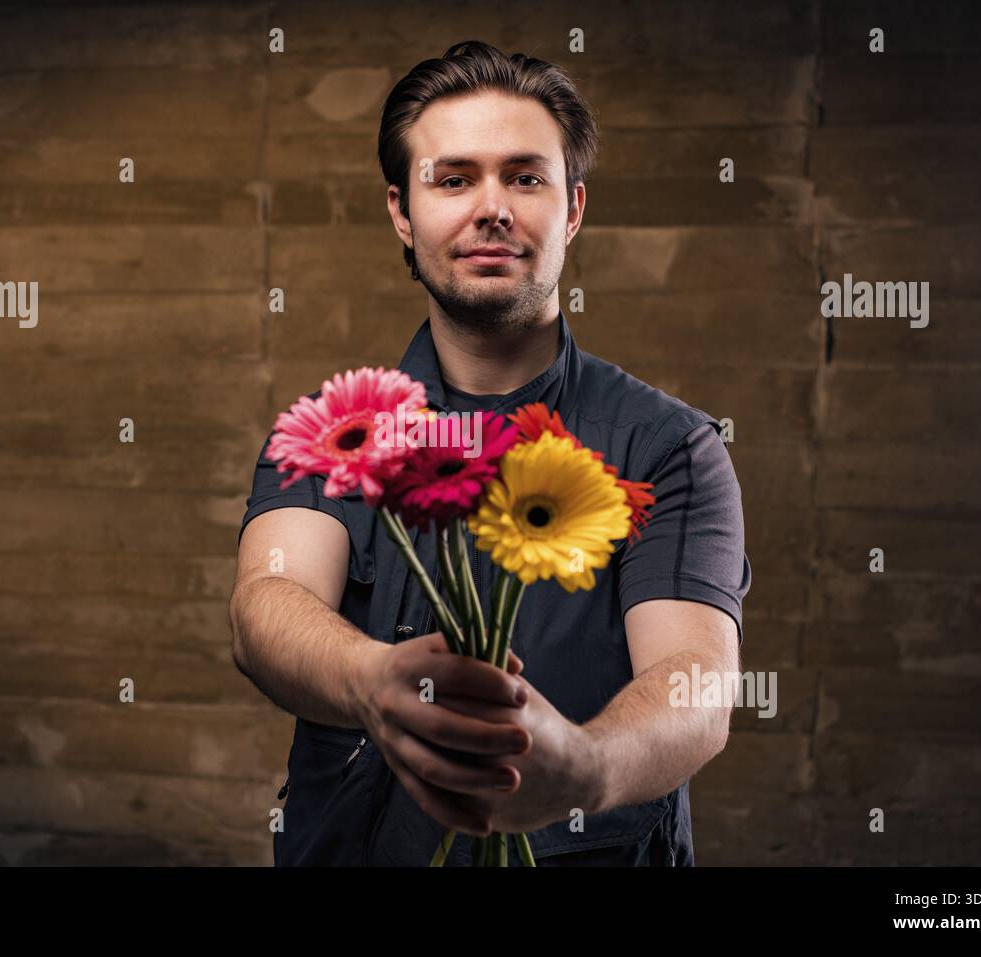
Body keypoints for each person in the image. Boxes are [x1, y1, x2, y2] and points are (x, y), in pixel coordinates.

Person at [230, 40, 752, 866]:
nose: (492, 207)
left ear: (572, 209)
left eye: (525, 176)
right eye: (453, 178)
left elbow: (698, 680)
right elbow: (266, 602)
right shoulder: (336, 428)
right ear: (401, 211)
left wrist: (584, 768)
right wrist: (373, 679)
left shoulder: (668, 446)